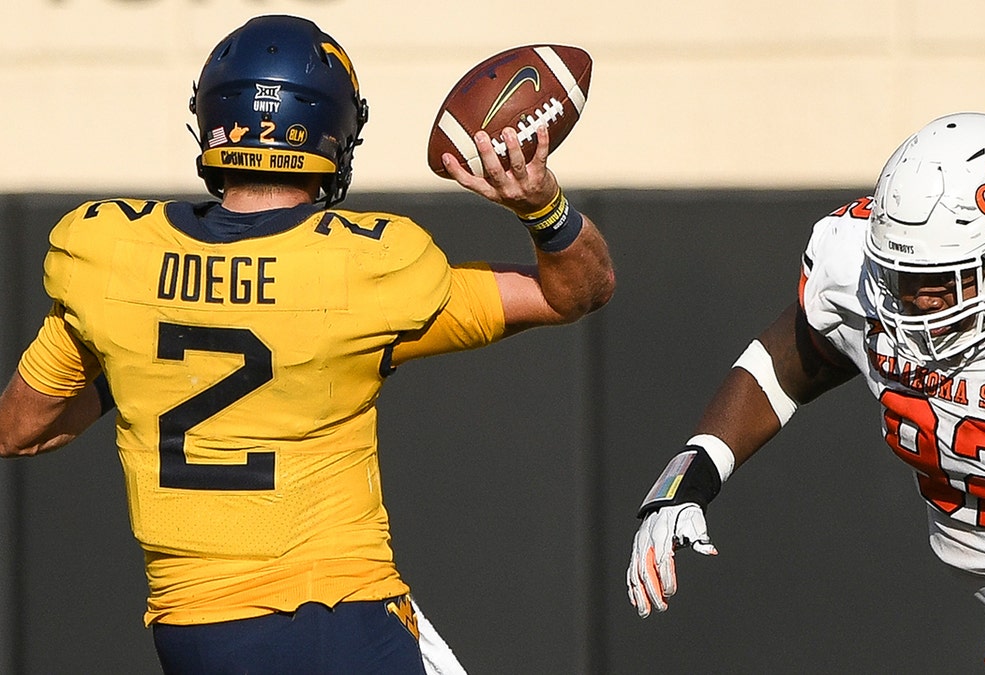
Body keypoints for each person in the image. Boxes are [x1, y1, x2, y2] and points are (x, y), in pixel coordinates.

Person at [0, 14, 613, 675]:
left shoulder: (107, 255)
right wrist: (542, 206)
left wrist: (140, 361)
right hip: (336, 618)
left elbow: (18, 428)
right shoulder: (368, 268)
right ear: (333, 131)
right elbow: (574, 291)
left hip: (189, 633)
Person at [626, 111, 985, 674]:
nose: (914, 302)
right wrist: (691, 472)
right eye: (900, 278)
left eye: (943, 281)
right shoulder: (869, 284)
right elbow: (793, 359)